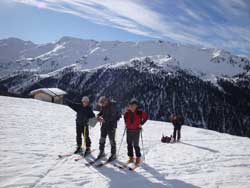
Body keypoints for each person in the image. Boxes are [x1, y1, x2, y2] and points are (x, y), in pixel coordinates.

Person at [96, 96, 121, 161]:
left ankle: (113, 154)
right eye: (101, 104)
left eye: (102, 104)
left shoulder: (112, 106)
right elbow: (102, 112)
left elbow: (113, 117)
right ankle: (102, 151)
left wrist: (104, 120)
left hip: (112, 126)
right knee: (102, 139)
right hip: (104, 125)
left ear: (106, 101)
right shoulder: (103, 106)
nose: (102, 105)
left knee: (112, 140)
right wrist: (98, 115)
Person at [124, 99, 148, 165]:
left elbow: (146, 117)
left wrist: (141, 123)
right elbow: (125, 119)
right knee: (129, 144)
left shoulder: (139, 112)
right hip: (128, 130)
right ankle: (131, 157)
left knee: (136, 145)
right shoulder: (127, 113)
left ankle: (138, 158)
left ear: (136, 106)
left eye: (133, 105)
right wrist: (126, 124)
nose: (132, 107)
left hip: (136, 131)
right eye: (131, 105)